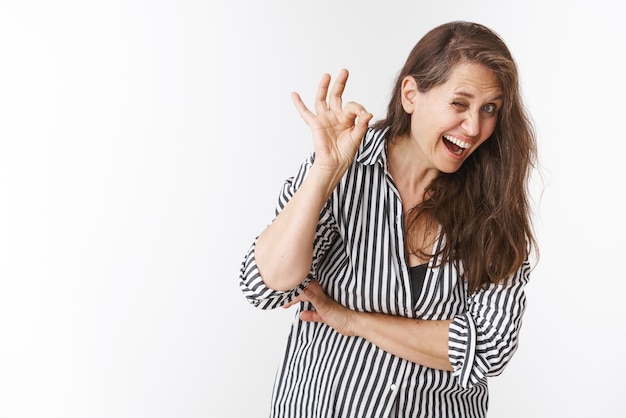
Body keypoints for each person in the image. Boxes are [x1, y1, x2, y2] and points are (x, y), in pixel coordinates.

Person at [239, 20, 538, 417]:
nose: (474, 127)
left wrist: (353, 321)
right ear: (412, 94)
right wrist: (325, 172)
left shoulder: (495, 206)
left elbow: (487, 347)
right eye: (459, 103)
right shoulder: (345, 169)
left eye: (489, 109)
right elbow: (267, 286)